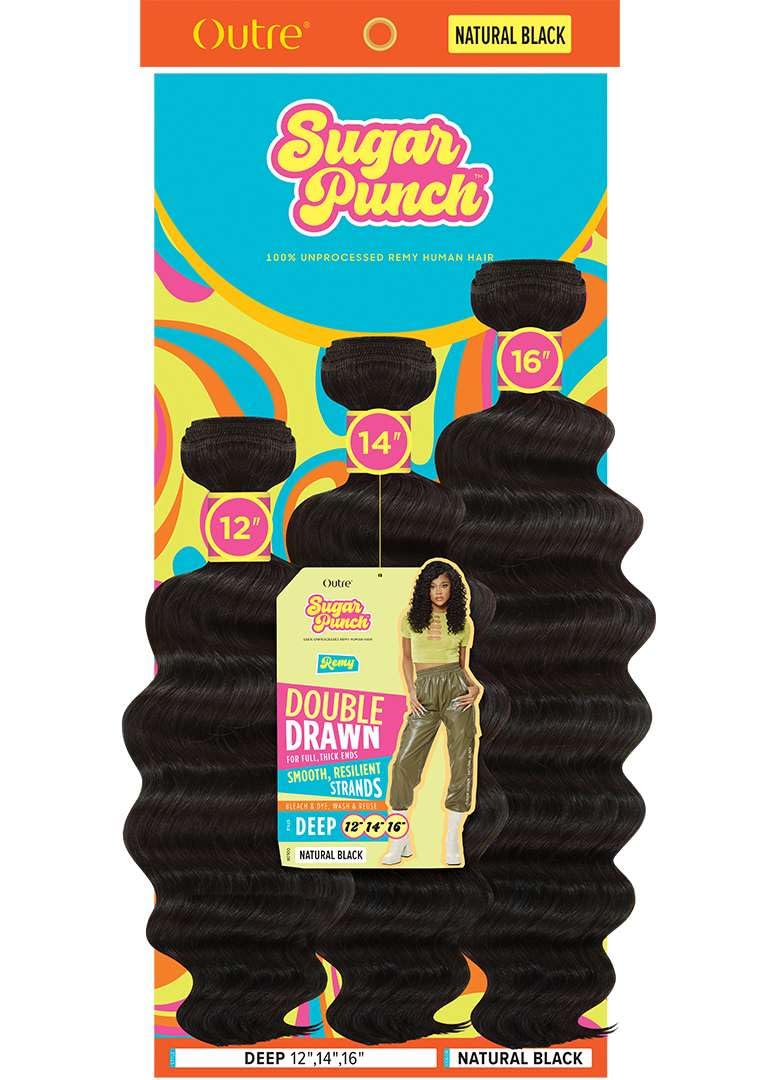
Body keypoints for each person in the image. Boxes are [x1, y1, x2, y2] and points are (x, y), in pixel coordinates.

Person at [383, 559, 481, 866]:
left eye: (444, 585)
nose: (438, 591)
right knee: (403, 763)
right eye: (433, 585)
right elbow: (406, 659)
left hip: (456, 690)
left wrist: (476, 688)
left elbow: (463, 667)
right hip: (423, 692)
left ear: (453, 589)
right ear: (425, 589)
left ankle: (453, 838)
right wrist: (411, 693)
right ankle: (399, 837)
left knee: (462, 759)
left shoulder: (463, 622)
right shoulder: (410, 618)